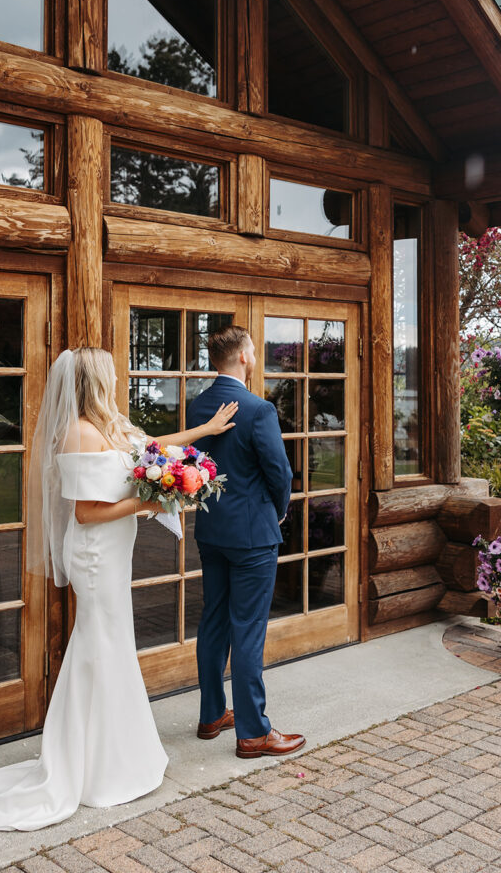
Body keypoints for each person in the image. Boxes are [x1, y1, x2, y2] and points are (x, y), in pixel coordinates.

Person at [0, 346, 238, 831]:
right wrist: (148, 502)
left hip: (113, 553)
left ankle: (112, 754)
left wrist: (203, 435)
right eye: (108, 372)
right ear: (92, 380)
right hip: (94, 555)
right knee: (101, 646)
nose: (116, 377)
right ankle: (94, 767)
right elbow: (86, 513)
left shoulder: (108, 424)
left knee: (110, 646)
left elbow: (150, 444)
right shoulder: (78, 433)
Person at [186, 325, 306, 759]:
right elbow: (279, 473)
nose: (256, 356)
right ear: (242, 357)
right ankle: (254, 733)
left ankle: (211, 715)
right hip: (253, 534)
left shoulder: (196, 405)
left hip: (212, 530)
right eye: (253, 349)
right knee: (249, 629)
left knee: (214, 619)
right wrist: (277, 511)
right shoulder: (260, 410)